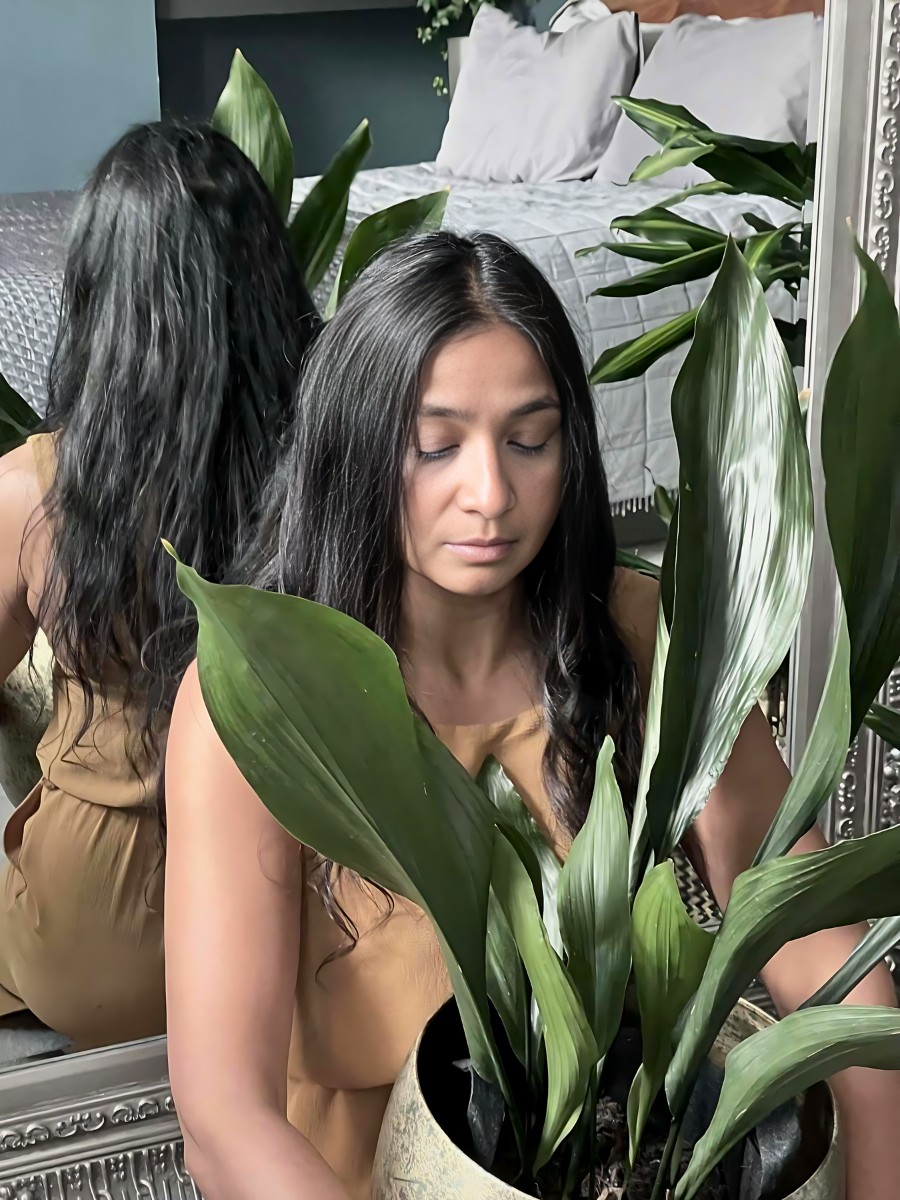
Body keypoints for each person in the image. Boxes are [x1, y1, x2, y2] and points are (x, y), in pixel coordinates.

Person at [163, 232, 900, 1200]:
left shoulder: (645, 638)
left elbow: (822, 951)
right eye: (436, 446)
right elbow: (225, 1122)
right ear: (357, 443)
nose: (491, 494)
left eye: (529, 439)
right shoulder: (261, 700)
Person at [0, 119, 317, 1049]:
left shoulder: (36, 489)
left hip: (107, 945)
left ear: (96, 295)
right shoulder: (334, 464)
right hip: (299, 921)